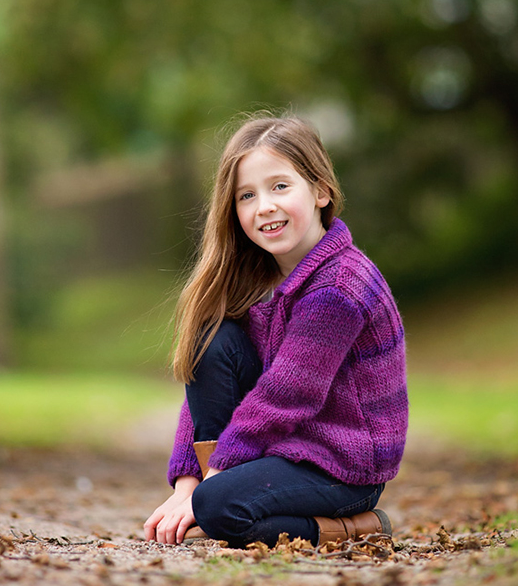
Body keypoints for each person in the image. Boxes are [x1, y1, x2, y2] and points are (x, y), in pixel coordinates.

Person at [143, 113, 408, 548]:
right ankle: (219, 498)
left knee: (219, 510)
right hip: (288, 449)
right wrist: (188, 484)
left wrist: (216, 482)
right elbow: (205, 389)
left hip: (345, 465)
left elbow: (287, 394)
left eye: (280, 186)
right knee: (211, 338)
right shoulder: (258, 282)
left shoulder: (340, 285)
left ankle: (356, 524)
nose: (264, 205)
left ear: (321, 191)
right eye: (247, 195)